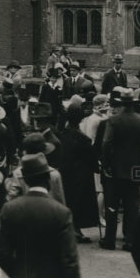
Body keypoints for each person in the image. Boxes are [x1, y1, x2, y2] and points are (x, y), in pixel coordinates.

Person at [0, 153, 83, 278]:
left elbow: (2, 253)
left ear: (26, 180)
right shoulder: (61, 212)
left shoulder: (10, 209)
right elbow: (70, 258)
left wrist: (18, 272)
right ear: (47, 179)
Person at [100, 88, 140, 250]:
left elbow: (106, 144)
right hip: (135, 168)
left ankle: (109, 239)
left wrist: (106, 164)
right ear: (134, 103)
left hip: (115, 168)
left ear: (121, 104)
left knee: (112, 205)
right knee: (132, 205)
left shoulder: (113, 120)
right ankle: (130, 239)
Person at [57, 104, 99, 243]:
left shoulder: (63, 134)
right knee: (79, 203)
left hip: (65, 172)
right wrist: (96, 167)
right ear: (80, 119)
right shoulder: (83, 139)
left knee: (68, 200)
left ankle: (71, 229)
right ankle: (76, 230)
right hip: (81, 174)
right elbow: (92, 158)